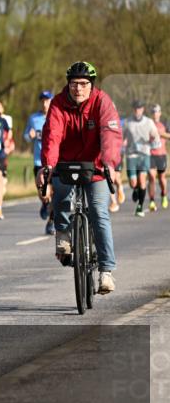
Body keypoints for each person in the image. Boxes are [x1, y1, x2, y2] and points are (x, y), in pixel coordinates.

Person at [38, 61, 122, 294]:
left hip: (96, 166)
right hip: (65, 164)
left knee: (98, 211)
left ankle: (106, 271)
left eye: (84, 84)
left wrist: (109, 163)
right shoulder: (58, 103)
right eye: (74, 84)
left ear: (91, 85)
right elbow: (52, 135)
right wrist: (49, 165)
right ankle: (63, 235)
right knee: (61, 197)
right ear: (68, 84)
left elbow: (110, 134)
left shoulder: (102, 102)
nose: (78, 89)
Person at [23, 90, 55, 234]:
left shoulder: (57, 116)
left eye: (47, 100)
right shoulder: (33, 118)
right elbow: (26, 135)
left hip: (55, 161)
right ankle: (45, 204)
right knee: (44, 193)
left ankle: (51, 222)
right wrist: (29, 136)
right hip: (39, 161)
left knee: (55, 193)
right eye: (42, 101)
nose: (44, 103)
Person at [122, 100, 159, 218]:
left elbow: (156, 136)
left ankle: (140, 207)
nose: (137, 111)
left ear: (143, 109)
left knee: (142, 180)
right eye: (136, 109)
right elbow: (121, 137)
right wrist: (121, 146)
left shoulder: (149, 122)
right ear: (133, 110)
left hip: (144, 155)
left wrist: (153, 139)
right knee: (133, 183)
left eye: (140, 109)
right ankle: (135, 189)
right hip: (131, 155)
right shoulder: (127, 122)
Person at [147, 104, 169, 211]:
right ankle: (151, 201)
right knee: (151, 177)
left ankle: (164, 195)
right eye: (153, 112)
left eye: (157, 111)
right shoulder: (148, 124)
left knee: (161, 178)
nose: (155, 114)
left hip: (161, 155)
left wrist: (161, 133)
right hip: (150, 155)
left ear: (160, 113)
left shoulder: (165, 123)